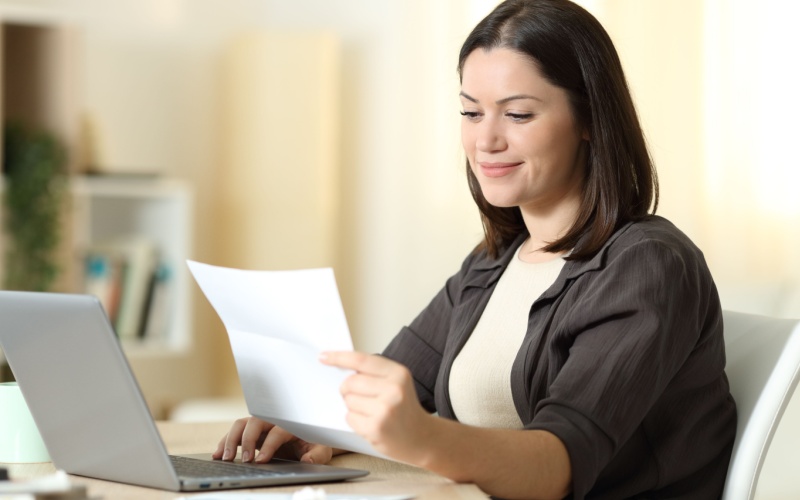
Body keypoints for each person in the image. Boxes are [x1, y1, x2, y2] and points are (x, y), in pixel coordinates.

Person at [214, 0, 737, 498]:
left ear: (588, 120)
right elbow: (401, 379)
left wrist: (421, 437)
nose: (486, 141)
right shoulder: (494, 262)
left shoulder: (648, 265)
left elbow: (559, 466)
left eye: (518, 115)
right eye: (471, 113)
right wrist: (318, 421)